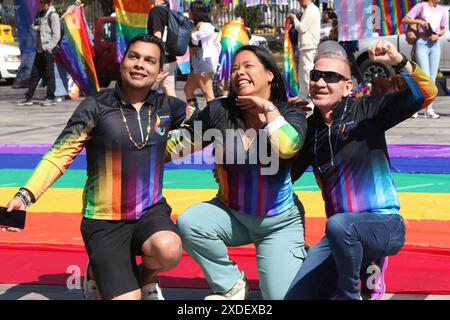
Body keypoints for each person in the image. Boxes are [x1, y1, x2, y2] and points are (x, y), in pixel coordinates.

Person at [4, 34, 198, 300]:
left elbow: (206, 123)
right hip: (104, 222)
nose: (140, 64)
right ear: (122, 62)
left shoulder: (167, 107)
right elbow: (59, 154)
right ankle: (96, 269)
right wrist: (25, 195)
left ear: (159, 72)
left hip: (150, 214)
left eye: (149, 61)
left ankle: (147, 279)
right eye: (134, 57)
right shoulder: (95, 106)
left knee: (169, 248)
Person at [285, 40, 438, 300]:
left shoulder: (368, 110)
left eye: (331, 77)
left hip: (384, 225)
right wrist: (285, 120)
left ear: (347, 87)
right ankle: (363, 269)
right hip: (339, 236)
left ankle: (353, 292)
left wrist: (398, 61)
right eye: (316, 76)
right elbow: (284, 176)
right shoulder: (310, 130)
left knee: (340, 225)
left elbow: (427, 93)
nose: (321, 83)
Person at [170, 45, 308, 300]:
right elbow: (176, 146)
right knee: (191, 223)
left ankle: (295, 254)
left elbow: (288, 148)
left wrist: (267, 109)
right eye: (234, 68)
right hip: (231, 215)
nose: (239, 72)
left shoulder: (290, 113)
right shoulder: (219, 111)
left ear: (270, 74)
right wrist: (144, 138)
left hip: (279, 224)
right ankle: (231, 286)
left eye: (248, 66)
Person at [402, 0, 448, 119]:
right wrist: (419, 21)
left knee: (432, 78)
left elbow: (443, 28)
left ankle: (429, 109)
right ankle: (416, 107)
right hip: (422, 42)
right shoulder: (421, 6)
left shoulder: (441, 10)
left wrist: (438, 35)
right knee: (424, 76)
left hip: (435, 44)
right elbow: (405, 19)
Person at [16, 0, 60, 106]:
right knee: (35, 74)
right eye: (42, 3)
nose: (44, 5)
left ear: (50, 3)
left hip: (47, 49)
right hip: (39, 49)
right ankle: (28, 97)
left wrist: (49, 47)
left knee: (49, 74)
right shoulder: (39, 14)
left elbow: (56, 35)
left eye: (46, 3)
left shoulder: (53, 16)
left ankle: (50, 97)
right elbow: (33, 25)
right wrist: (37, 27)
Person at [184, 0, 219, 107]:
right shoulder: (194, 25)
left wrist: (193, 34)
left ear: (195, 11)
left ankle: (214, 122)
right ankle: (196, 122)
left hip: (203, 63)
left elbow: (208, 33)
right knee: (188, 90)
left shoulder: (205, 25)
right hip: (197, 64)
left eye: (189, 9)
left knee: (208, 94)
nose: (187, 11)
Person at [288, 0, 320, 105]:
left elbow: (301, 28)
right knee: (303, 72)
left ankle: (309, 96)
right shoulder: (309, 9)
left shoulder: (311, 10)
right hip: (306, 46)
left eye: (300, 1)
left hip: (309, 46)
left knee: (307, 71)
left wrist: (295, 18)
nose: (300, 4)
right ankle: (302, 96)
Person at [147, 0, 177, 97]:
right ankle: (180, 112)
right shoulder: (170, 11)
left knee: (145, 88)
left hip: (161, 61)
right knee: (170, 92)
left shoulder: (156, 11)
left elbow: (157, 36)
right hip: (171, 60)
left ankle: (143, 112)